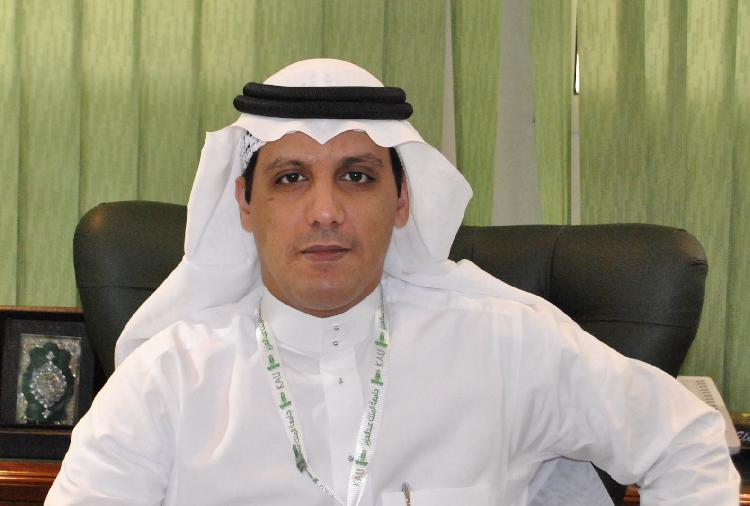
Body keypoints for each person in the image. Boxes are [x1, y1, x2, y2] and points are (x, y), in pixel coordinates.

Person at [46, 59, 739, 505]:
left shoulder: (507, 346)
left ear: (402, 201)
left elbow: (687, 443)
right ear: (245, 204)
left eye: (357, 176)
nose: (325, 211)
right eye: (290, 178)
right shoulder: (166, 381)